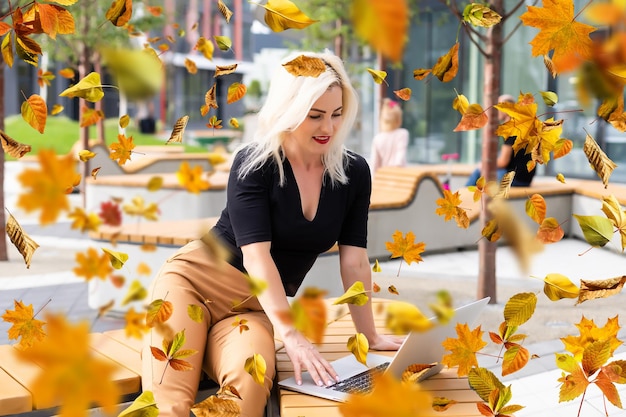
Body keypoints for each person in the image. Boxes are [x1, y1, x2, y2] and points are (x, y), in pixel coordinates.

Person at [141, 50, 403, 417]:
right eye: (315, 115)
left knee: (250, 385)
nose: (327, 127)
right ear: (289, 109)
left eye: (336, 114)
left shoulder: (353, 173)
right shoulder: (255, 164)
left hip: (253, 307)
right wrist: (292, 335)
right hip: (193, 284)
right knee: (169, 402)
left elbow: (355, 261)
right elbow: (256, 255)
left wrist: (370, 336)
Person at [465, 94, 536, 187]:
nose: (496, 111)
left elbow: (503, 162)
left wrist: (484, 164)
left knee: (479, 171)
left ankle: (463, 197)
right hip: (525, 179)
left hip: (514, 179)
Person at [370, 98, 409, 172]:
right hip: (400, 176)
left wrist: (373, 181)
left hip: (384, 178)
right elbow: (400, 158)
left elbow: (374, 164)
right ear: (399, 120)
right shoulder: (402, 134)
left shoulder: (377, 138)